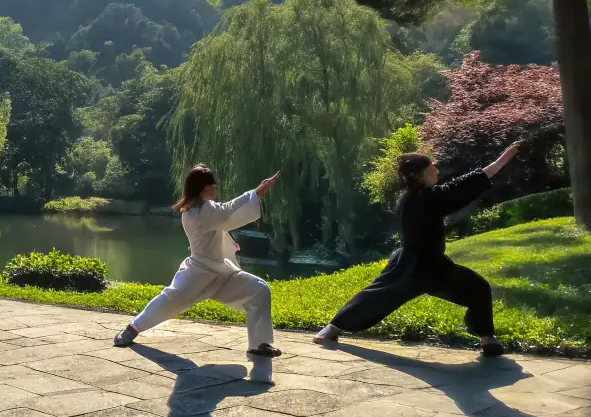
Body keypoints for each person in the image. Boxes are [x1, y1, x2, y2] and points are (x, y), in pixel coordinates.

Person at [313, 141, 521, 356]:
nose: (437, 171)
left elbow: (457, 188)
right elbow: (462, 187)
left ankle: (330, 330)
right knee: (477, 289)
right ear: (420, 174)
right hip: (425, 266)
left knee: (377, 296)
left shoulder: (412, 198)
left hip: (410, 263)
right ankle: (487, 339)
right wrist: (502, 160)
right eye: (433, 168)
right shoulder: (426, 198)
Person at [114, 166, 282, 357]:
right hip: (198, 273)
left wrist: (255, 195)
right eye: (214, 186)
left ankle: (259, 345)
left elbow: (226, 216)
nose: (217, 190)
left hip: (220, 273)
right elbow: (228, 210)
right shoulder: (202, 211)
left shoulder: (197, 210)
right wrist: (257, 191)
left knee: (259, 290)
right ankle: (132, 328)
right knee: (169, 299)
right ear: (205, 188)